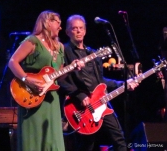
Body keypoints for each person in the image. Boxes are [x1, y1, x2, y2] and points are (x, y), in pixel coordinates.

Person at [58, 14, 138, 151]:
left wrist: (123, 84)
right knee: (86, 145)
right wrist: (79, 95)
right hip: (80, 107)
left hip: (100, 102)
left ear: (85, 31)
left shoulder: (93, 53)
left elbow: (101, 81)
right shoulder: (64, 51)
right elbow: (60, 80)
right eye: (74, 28)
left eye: (81, 28)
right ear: (67, 32)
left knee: (119, 139)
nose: (78, 31)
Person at [8, 10, 84, 151]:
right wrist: (27, 79)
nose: (60, 27)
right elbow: (12, 62)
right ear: (47, 22)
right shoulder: (32, 41)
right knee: (34, 139)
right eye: (58, 23)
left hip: (51, 98)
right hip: (31, 94)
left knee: (52, 140)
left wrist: (71, 68)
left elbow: (58, 77)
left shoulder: (60, 47)